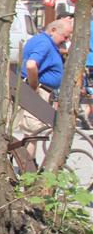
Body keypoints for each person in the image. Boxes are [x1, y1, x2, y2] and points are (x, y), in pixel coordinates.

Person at [16, 18, 74, 147]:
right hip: (39, 91)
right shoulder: (44, 43)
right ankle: (28, 165)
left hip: (42, 90)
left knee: (34, 132)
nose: (66, 40)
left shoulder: (44, 41)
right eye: (65, 36)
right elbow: (31, 65)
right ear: (53, 30)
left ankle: (30, 162)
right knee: (34, 132)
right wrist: (34, 87)